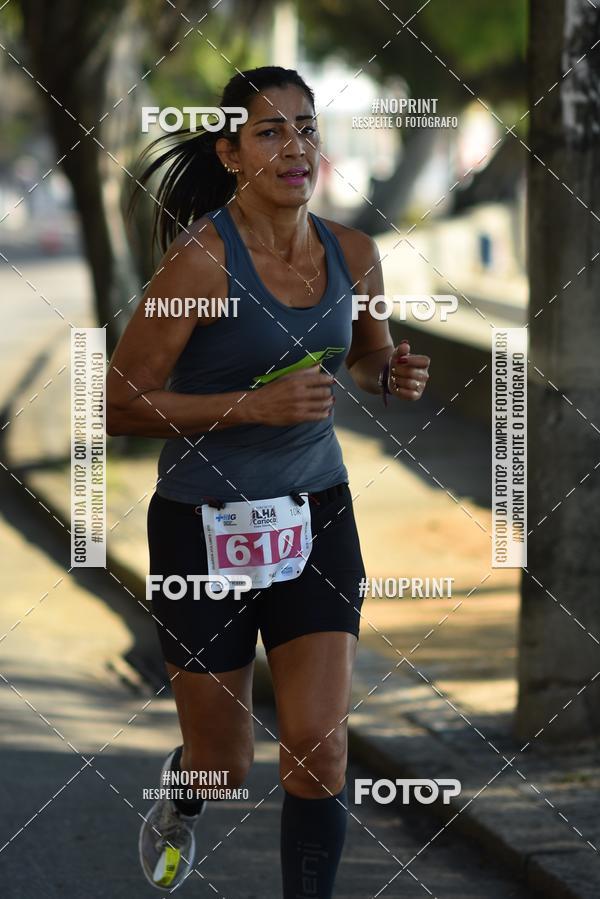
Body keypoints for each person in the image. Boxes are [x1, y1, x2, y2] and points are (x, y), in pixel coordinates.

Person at [106, 65, 430, 897]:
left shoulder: (353, 254)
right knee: (225, 764)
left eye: (307, 128)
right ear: (231, 153)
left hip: (316, 513)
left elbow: (366, 357)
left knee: (319, 745)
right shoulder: (199, 263)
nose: (296, 147)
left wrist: (389, 374)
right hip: (202, 528)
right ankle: (186, 788)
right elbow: (118, 403)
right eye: (271, 131)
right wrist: (251, 406)